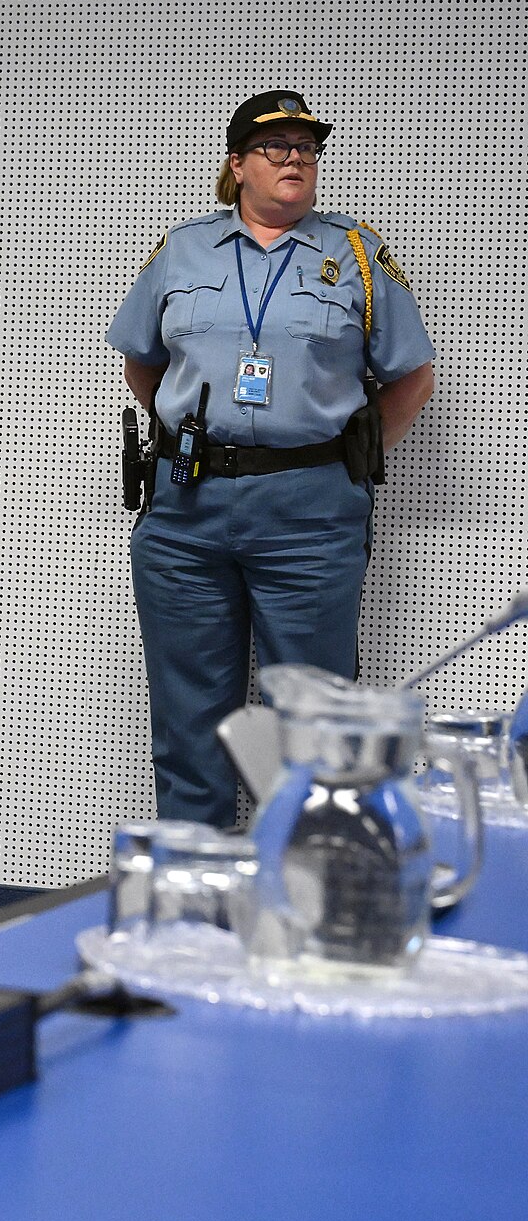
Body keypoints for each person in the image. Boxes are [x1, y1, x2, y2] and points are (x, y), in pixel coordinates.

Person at [109, 91, 436, 829]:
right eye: (276, 148)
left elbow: (412, 377)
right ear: (237, 165)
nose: (296, 160)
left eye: (307, 149)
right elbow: (143, 362)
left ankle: (301, 883)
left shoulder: (354, 255)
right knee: (190, 721)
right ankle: (194, 883)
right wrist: (198, 435)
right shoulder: (183, 250)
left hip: (309, 513)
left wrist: (345, 455)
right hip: (186, 511)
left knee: (312, 728)